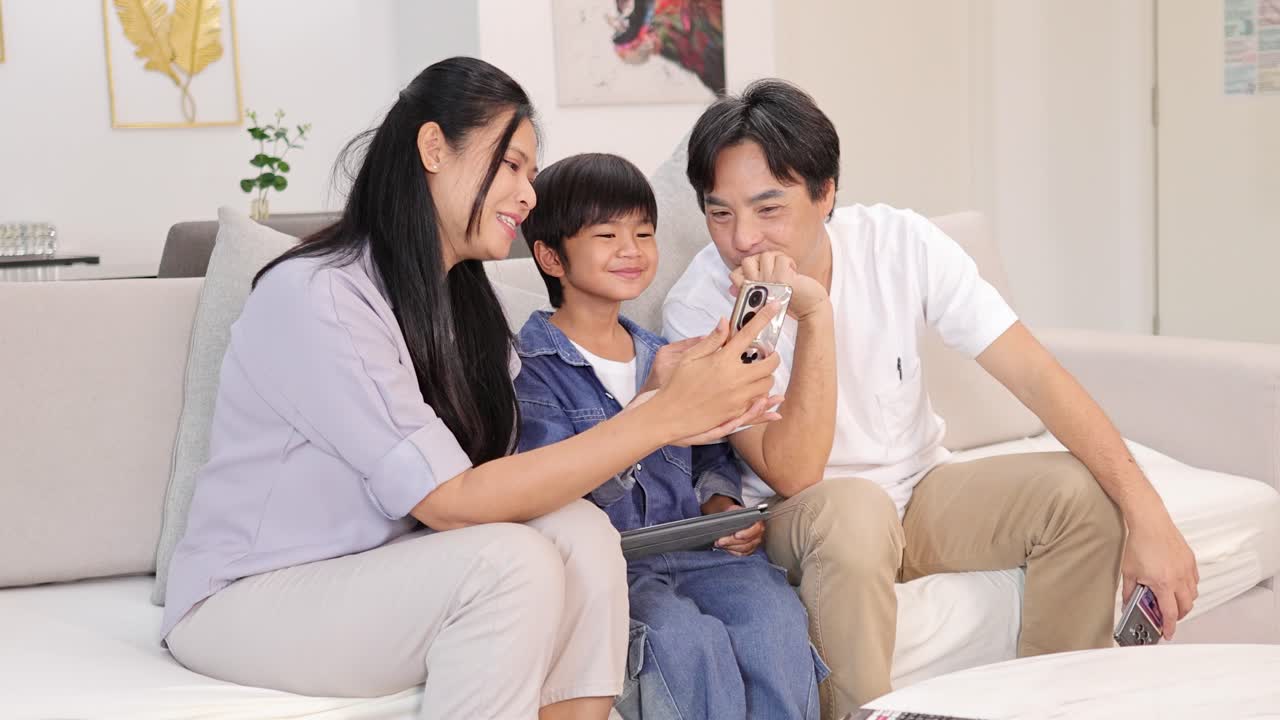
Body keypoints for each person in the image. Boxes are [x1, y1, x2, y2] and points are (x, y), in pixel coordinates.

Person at [160, 57, 779, 720]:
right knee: (512, 564)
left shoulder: (464, 304)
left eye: (531, 174)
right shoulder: (321, 296)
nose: (527, 195)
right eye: (511, 166)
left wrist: (659, 400)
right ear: (433, 148)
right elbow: (451, 502)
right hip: (246, 598)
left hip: (382, 566)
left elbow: (510, 480)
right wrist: (658, 419)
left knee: (581, 529)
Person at [662, 79, 1200, 719]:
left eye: (768, 208)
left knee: (1082, 497)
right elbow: (795, 473)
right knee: (855, 511)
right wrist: (814, 314)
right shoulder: (700, 304)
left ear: (826, 194)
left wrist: (1150, 515)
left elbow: (1036, 376)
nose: (742, 238)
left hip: (919, 496)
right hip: (799, 516)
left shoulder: (901, 243)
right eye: (720, 213)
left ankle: (1058, 706)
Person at [513, 153, 827, 719]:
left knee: (774, 620)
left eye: (644, 232)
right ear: (550, 256)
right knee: (686, 640)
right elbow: (553, 491)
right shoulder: (531, 368)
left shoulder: (665, 351)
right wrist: (648, 401)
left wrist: (722, 504)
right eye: (607, 234)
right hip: (616, 571)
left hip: (697, 551)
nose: (631, 248)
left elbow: (708, 450)